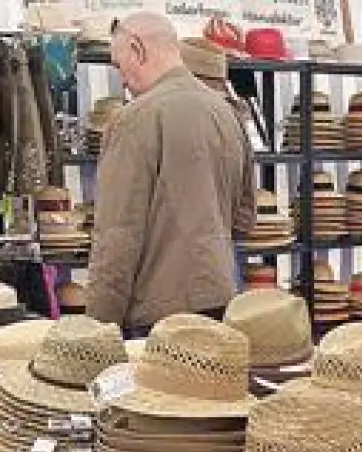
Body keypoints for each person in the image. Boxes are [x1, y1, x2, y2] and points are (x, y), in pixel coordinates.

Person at [86, 11, 254, 338]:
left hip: (157, 317)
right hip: (220, 301)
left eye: (119, 65)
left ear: (138, 49)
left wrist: (97, 329)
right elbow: (244, 218)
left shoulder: (134, 119)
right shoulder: (227, 114)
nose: (121, 79)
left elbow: (117, 238)